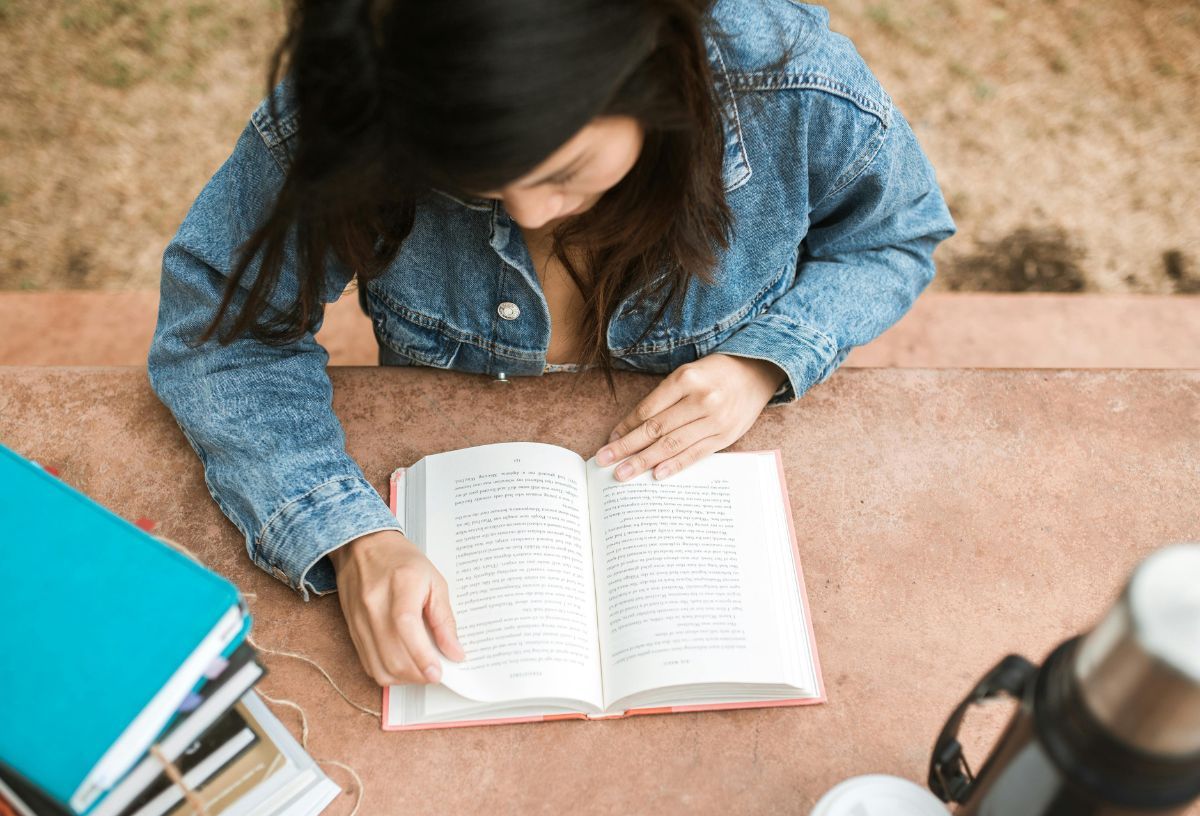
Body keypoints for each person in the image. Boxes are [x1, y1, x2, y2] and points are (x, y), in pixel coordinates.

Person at [148, 0, 955, 688]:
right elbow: (218, 334)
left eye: (566, 167)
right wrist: (350, 535)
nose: (533, 215)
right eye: (480, 181)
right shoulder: (369, 95)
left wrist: (762, 359)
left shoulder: (789, 83)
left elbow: (895, 235)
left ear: (653, 74)